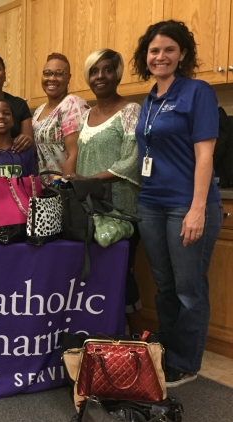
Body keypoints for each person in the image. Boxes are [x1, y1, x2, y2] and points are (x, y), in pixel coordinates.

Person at [132, 20, 223, 387]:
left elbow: (205, 156)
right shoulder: (150, 100)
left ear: (182, 54)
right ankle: (167, 352)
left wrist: (197, 208)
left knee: (188, 287)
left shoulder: (197, 92)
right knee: (165, 287)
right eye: (154, 50)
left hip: (187, 205)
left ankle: (186, 363)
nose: (161, 56)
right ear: (146, 56)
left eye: (169, 49)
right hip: (151, 204)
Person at [62, 49, 143, 333]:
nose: (100, 77)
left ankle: (134, 339)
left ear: (117, 74)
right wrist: (71, 179)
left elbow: (131, 162)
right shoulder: (85, 114)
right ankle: (101, 334)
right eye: (94, 71)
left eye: (106, 70)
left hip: (120, 211)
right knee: (95, 274)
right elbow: (77, 153)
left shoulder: (131, 111)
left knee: (122, 274)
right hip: (89, 210)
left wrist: (88, 179)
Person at [32, 53, 89, 179]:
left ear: (68, 78)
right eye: (47, 73)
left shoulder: (72, 104)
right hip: (43, 189)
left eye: (59, 74)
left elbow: (75, 153)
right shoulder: (38, 111)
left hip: (64, 188)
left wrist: (66, 187)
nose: (52, 78)